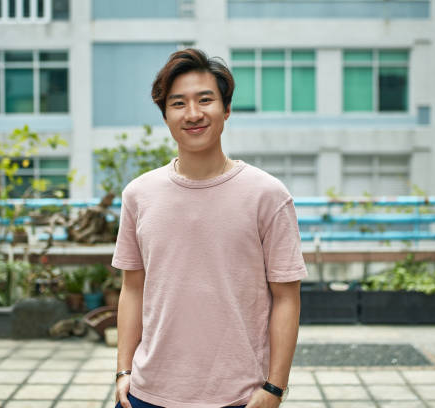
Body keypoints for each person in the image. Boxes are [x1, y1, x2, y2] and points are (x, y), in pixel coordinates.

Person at [112, 48, 308, 408]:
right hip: (145, 395)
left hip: (239, 397)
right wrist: (123, 371)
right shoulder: (139, 195)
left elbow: (286, 297)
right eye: (178, 103)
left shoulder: (268, 195)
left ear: (227, 109)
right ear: (165, 114)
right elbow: (132, 288)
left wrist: (274, 389)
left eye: (205, 100)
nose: (193, 114)